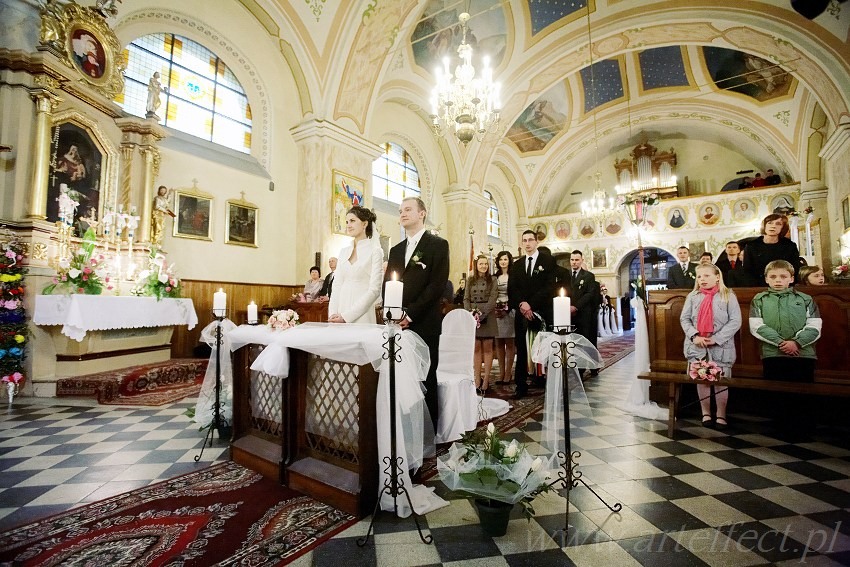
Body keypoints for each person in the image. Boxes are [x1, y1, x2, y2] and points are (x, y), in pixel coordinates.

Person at [383, 197, 449, 425]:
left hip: (424, 321)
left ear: (422, 213)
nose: (402, 214)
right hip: (396, 323)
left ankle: (429, 433)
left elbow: (437, 285)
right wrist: (393, 314)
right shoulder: (396, 250)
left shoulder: (438, 245)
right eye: (400, 210)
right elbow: (387, 284)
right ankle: (405, 428)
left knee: (426, 376)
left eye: (408, 209)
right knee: (401, 376)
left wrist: (410, 314)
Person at [750, 260, 821, 433]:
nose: (778, 280)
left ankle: (804, 428)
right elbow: (756, 326)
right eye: (773, 277)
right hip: (773, 353)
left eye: (783, 276)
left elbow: (815, 325)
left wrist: (796, 343)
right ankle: (780, 428)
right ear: (766, 279)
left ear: (791, 278)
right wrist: (781, 343)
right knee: (777, 393)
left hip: (802, 354)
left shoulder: (805, 299)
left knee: (802, 393)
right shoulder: (759, 299)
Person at [680, 263, 742, 429]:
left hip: (720, 347)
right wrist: (694, 335)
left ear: (717, 277)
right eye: (699, 276)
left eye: (707, 275)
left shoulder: (728, 295)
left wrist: (717, 338)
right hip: (699, 346)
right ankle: (706, 413)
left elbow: (735, 320)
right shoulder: (693, 296)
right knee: (703, 380)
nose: (702, 279)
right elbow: (684, 319)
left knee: (720, 381)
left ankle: (721, 414)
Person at [507, 229, 556, 399]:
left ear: (536, 242)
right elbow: (512, 289)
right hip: (522, 313)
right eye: (524, 240)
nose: (527, 243)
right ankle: (521, 385)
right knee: (521, 349)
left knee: (545, 347)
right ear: (522, 243)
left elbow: (549, 287)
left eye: (530, 240)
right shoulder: (517, 264)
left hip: (541, 310)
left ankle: (546, 380)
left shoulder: (547, 261)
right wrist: (522, 305)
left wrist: (532, 305)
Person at [328, 207, 383, 324]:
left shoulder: (375, 251)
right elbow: (337, 284)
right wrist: (333, 313)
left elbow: (374, 290)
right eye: (347, 222)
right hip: (340, 309)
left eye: (352, 221)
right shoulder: (343, 251)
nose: (348, 225)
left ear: (364, 224)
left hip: (362, 313)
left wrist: (347, 317)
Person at [464, 255, 498, 392]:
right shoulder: (470, 280)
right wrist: (470, 314)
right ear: (476, 265)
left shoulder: (493, 280)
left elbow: (493, 298)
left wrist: (482, 314)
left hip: (488, 315)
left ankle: (486, 380)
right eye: (481, 264)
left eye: (485, 264)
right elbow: (466, 298)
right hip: (473, 315)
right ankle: (477, 379)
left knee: (488, 348)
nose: (483, 266)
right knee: (476, 348)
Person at [742, 214, 800, 285]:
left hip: (784, 285)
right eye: (770, 223)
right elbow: (747, 271)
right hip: (758, 285)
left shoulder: (790, 246)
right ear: (764, 226)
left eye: (778, 224)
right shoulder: (751, 245)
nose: (773, 226)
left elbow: (795, 269)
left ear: (783, 228)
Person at [568, 250, 600, 378]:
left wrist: (576, 306)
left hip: (584, 314)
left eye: (576, 260)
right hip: (569, 313)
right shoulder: (566, 276)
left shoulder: (588, 276)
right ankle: (576, 367)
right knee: (574, 341)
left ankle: (591, 366)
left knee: (586, 341)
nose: (574, 262)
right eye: (572, 260)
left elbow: (589, 294)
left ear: (581, 260)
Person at [493, 251, 516, 386]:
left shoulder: (513, 276)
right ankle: (501, 373)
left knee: (510, 342)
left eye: (505, 259)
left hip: (510, 310)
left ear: (509, 261)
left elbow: (516, 293)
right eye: (501, 259)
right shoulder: (495, 276)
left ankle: (508, 372)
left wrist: (507, 306)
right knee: (499, 343)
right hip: (497, 311)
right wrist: (496, 308)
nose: (503, 262)